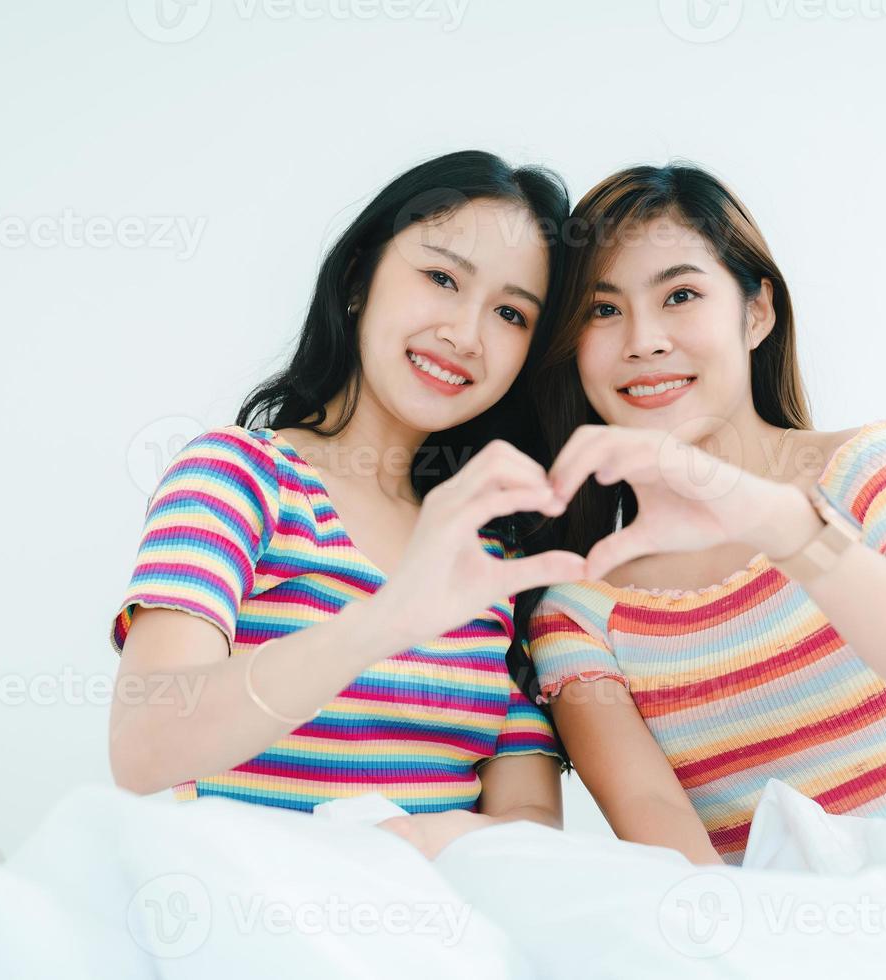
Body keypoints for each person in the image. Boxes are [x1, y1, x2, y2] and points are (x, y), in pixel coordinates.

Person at [525, 163, 886, 865]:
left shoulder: (866, 473)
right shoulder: (581, 608)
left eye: (681, 295)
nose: (644, 340)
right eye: (604, 311)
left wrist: (778, 522)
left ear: (757, 311)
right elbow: (666, 839)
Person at [106, 151, 588, 851]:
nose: (466, 334)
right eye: (442, 277)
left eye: (510, 313)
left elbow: (531, 826)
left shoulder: (494, 549)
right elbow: (144, 749)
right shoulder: (240, 478)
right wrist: (386, 619)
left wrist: (414, 849)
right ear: (361, 274)